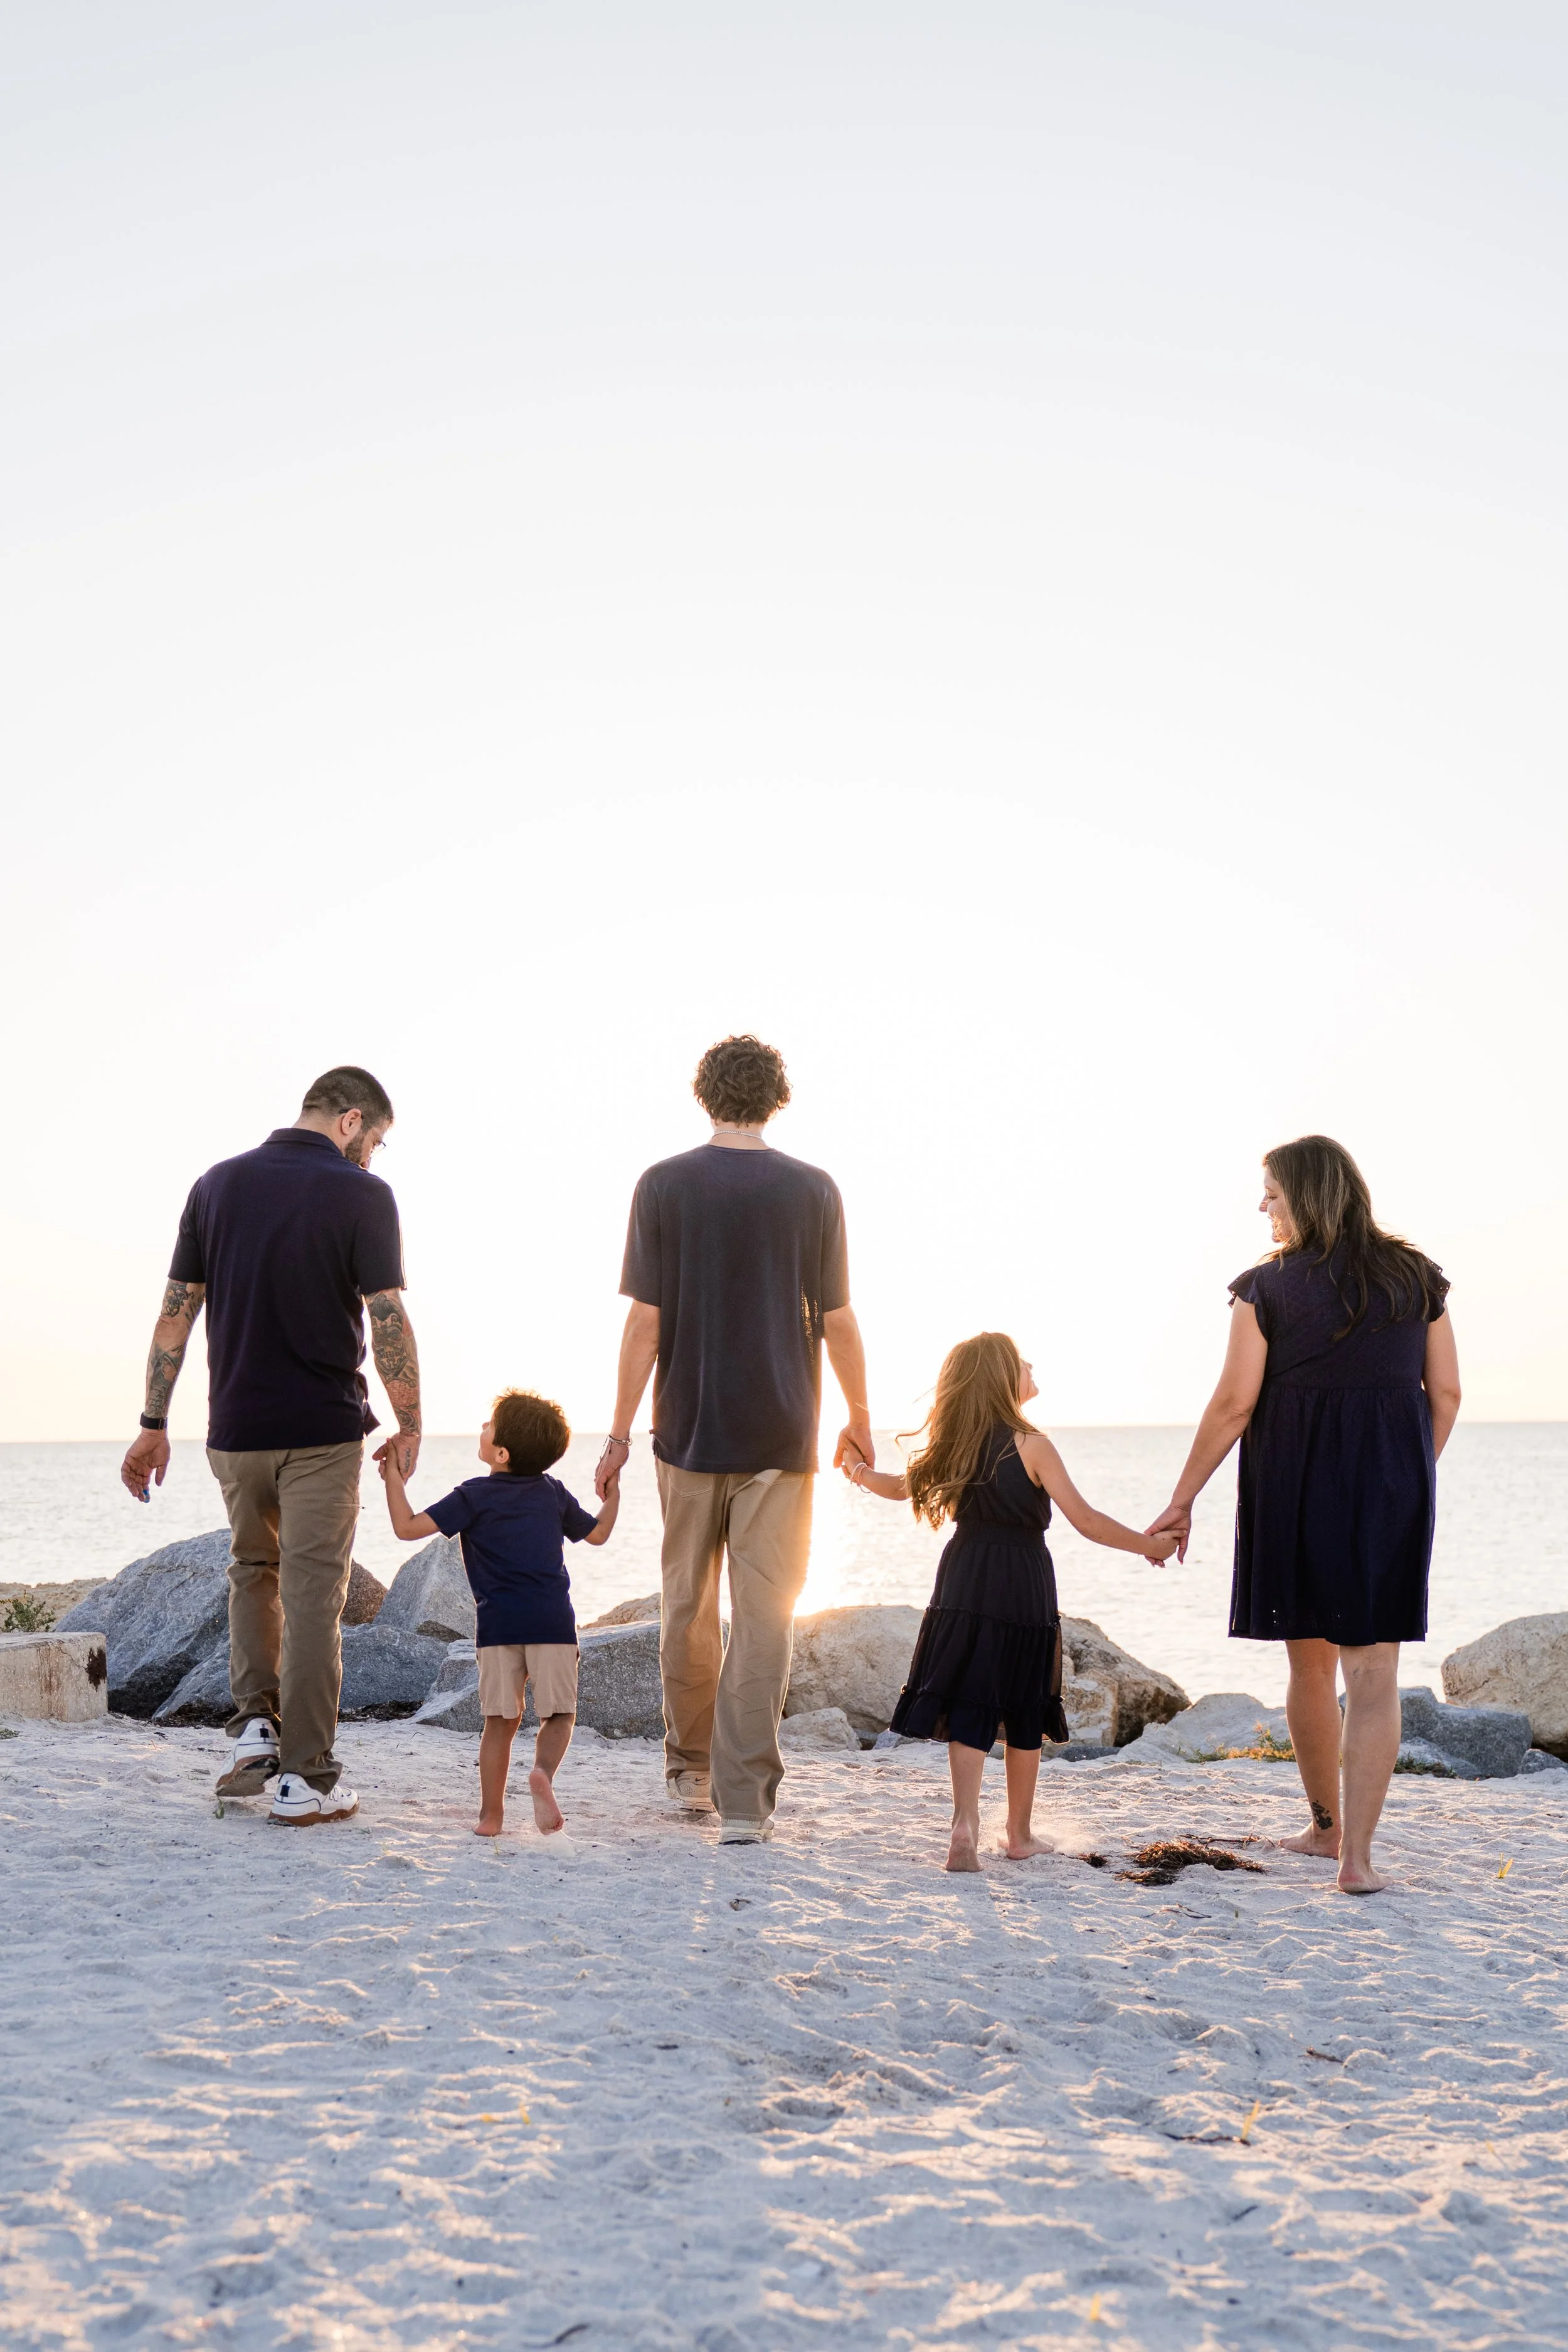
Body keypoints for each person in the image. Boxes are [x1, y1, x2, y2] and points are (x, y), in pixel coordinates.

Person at [1146, 1136, 1461, 1895]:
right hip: (1390, 1488)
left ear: (1308, 1194)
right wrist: (1406, 1475)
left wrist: (1181, 1498)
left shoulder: (1267, 1288)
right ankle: (1357, 1859)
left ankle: (1325, 1832)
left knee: (1311, 1665)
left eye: (1273, 1194)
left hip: (1293, 1485)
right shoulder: (1417, 1278)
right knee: (1375, 1669)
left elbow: (1232, 1404)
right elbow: (1445, 1394)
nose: (1263, 1207)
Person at [119, 1066, 420, 1826]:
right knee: (314, 1599)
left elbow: (172, 1319)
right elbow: (386, 1317)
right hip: (320, 1430)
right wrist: (410, 1419)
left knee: (252, 1572)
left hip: (236, 1432)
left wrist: (153, 1424)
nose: (373, 1157)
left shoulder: (215, 1185)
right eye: (375, 1140)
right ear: (351, 1120)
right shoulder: (362, 1195)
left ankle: (255, 1732)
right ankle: (307, 1777)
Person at [598, 1034, 872, 1845]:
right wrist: (858, 1413)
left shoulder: (662, 1184)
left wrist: (616, 1432)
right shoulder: (815, 1189)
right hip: (784, 1438)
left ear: (705, 1092)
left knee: (687, 1609)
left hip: (684, 1433)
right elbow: (838, 1319)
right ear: (776, 1096)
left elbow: (645, 1323)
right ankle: (745, 1804)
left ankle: (689, 1772)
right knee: (764, 1620)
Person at [844, 1332, 1177, 1872]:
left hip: (964, 1574)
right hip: (1022, 1576)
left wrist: (856, 1473)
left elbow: (899, 1487)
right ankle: (1018, 1834)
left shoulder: (957, 1443)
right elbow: (1087, 1522)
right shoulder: (1033, 1444)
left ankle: (965, 1823)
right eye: (1022, 1361)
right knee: (1024, 1701)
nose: (1031, 1364)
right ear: (1002, 1377)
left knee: (972, 1696)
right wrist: (1150, 1546)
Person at [378, 1390, 619, 1838]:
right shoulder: (553, 1494)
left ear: (502, 1453)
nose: (483, 1430)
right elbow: (600, 1534)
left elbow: (406, 1528)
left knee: (500, 1725)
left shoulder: (473, 1496)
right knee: (559, 1715)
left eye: (489, 1426)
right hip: (552, 1624)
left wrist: (393, 1476)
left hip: (497, 1628)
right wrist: (613, 1491)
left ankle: (491, 1817)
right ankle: (542, 1775)